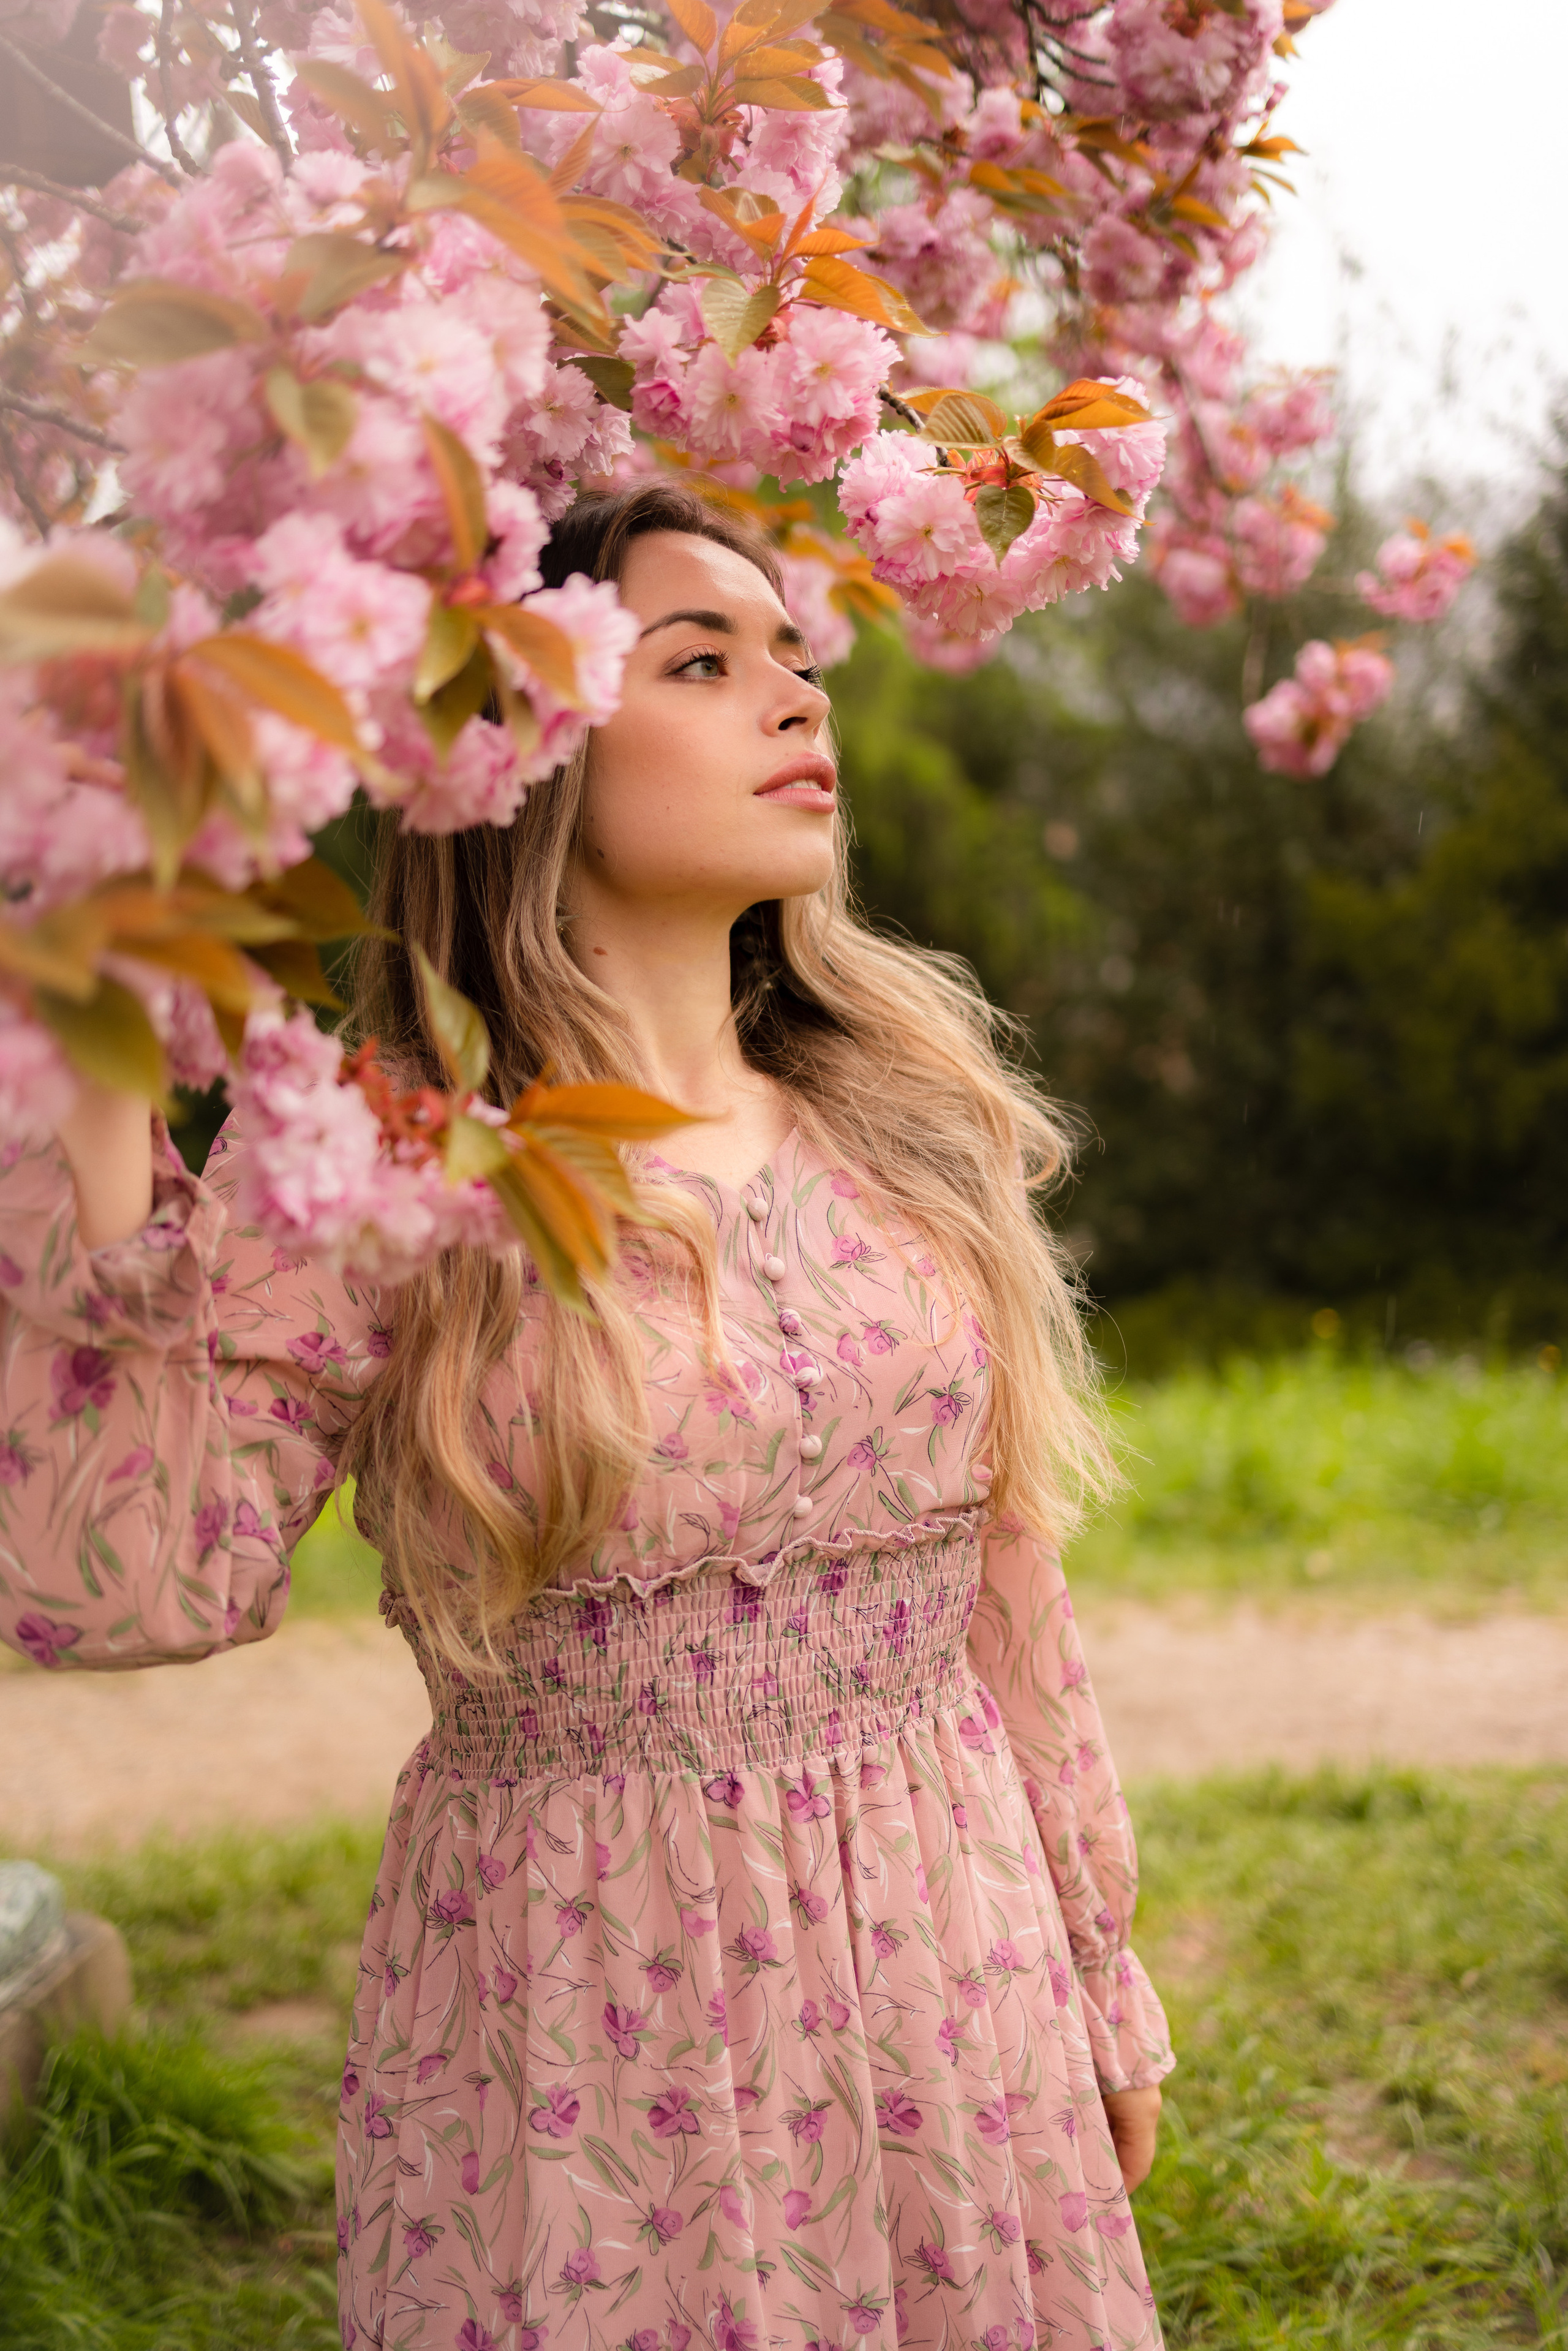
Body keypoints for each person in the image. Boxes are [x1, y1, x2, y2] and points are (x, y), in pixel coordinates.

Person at [0, 481, 1172, 2350]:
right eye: (703, 659)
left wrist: (1097, 1975)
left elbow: (1004, 1591)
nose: (800, 700)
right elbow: (125, 1575)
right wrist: (84, 1050)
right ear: (522, 744)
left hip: (952, 1981)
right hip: (582, 2019)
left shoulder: (904, 1123)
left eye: (794, 657)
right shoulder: (392, 1173)